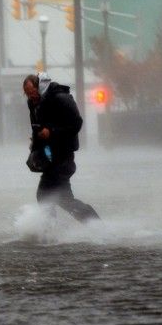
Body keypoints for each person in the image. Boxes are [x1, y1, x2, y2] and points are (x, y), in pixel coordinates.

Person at [22, 72, 100, 223]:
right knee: (56, 198)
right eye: (27, 94)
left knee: (49, 195)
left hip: (64, 155)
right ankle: (54, 231)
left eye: (32, 92)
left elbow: (76, 123)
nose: (31, 96)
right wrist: (35, 146)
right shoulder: (33, 103)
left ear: (40, 87)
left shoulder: (60, 98)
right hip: (50, 155)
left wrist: (51, 132)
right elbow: (37, 127)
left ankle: (91, 225)